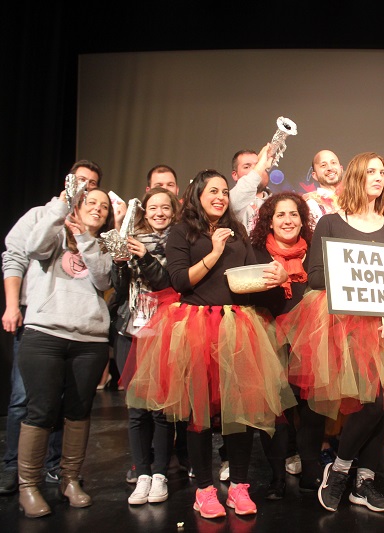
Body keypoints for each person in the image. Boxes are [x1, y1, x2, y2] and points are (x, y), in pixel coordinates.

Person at [125, 168, 295, 519]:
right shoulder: (182, 231)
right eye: (212, 191)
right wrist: (214, 252)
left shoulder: (238, 232)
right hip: (196, 326)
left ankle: (239, 487)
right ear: (198, 196)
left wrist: (277, 275)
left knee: (240, 413)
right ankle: (204, 490)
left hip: (238, 325)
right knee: (198, 414)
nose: (220, 197)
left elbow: (252, 276)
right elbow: (180, 281)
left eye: (224, 192)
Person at [279, 152, 384, 514]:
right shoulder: (331, 223)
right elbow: (315, 277)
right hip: (343, 326)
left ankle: (363, 483)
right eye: (371, 172)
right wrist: (355, 267)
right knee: (371, 402)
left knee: (382, 404)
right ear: (354, 177)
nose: (379, 177)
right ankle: (340, 471)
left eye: (381, 172)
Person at [0, 160, 102, 496]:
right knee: (26, 400)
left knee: (72, 405)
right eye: (80, 181)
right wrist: (13, 305)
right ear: (68, 182)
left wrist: (85, 234)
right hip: (40, 321)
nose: (85, 187)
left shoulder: (96, 231)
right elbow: (18, 255)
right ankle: (17, 471)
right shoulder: (42, 216)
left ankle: (59, 469)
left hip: (83, 329)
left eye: (92, 183)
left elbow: (104, 278)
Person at [17, 186, 115, 517]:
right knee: (41, 410)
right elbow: (33, 247)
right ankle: (28, 487)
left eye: (104, 206)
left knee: (79, 410)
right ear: (76, 205)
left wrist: (86, 237)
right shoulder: (55, 232)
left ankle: (70, 479)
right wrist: (61, 209)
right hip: (45, 333)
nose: (98, 208)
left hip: (90, 340)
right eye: (91, 202)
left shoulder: (106, 244)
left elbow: (103, 280)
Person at [248, 191, 320, 498]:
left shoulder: (315, 252)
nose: (288, 220)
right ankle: (276, 479)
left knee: (311, 408)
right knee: (275, 410)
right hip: (268, 338)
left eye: (294, 214)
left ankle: (311, 473)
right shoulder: (255, 252)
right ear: (269, 221)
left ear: (302, 221)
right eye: (281, 215)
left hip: (311, 339)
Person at [111, 187, 180, 505]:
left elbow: (168, 283)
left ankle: (161, 474)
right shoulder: (131, 238)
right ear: (144, 212)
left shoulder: (179, 242)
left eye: (165, 207)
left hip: (166, 328)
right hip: (133, 329)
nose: (159, 213)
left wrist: (145, 256)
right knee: (137, 408)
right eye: (153, 207)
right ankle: (142, 473)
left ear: (173, 211)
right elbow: (118, 287)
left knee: (162, 409)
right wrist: (120, 263)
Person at [229, 146, 273, 233]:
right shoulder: (230, 200)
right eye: (247, 167)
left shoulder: (276, 203)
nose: (255, 170)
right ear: (235, 175)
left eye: (257, 165)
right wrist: (260, 166)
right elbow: (246, 187)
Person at [303, 150, 343, 224]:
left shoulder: (354, 199)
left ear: (341, 169)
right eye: (323, 165)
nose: (330, 168)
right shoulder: (311, 203)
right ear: (315, 175)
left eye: (333, 163)